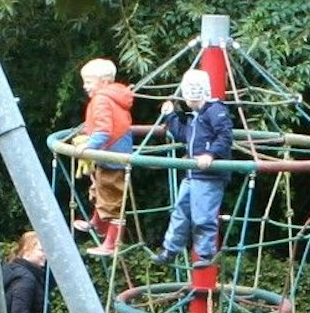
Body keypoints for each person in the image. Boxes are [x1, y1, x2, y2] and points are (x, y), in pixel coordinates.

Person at [150, 68, 234, 268]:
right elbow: (185, 136)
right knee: (180, 212)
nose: (188, 101)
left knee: (203, 216)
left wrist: (210, 154)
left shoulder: (215, 111)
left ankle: (205, 254)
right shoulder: (196, 116)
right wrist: (170, 116)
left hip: (209, 177)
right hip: (192, 174)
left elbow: (225, 136)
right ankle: (170, 250)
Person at [70, 58, 135, 257]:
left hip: (112, 156)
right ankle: (97, 223)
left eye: (89, 82)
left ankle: (111, 244)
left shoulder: (102, 100)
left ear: (104, 82)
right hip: (112, 155)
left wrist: (89, 145)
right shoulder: (113, 97)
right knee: (99, 190)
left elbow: (104, 131)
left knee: (112, 201)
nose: (85, 86)